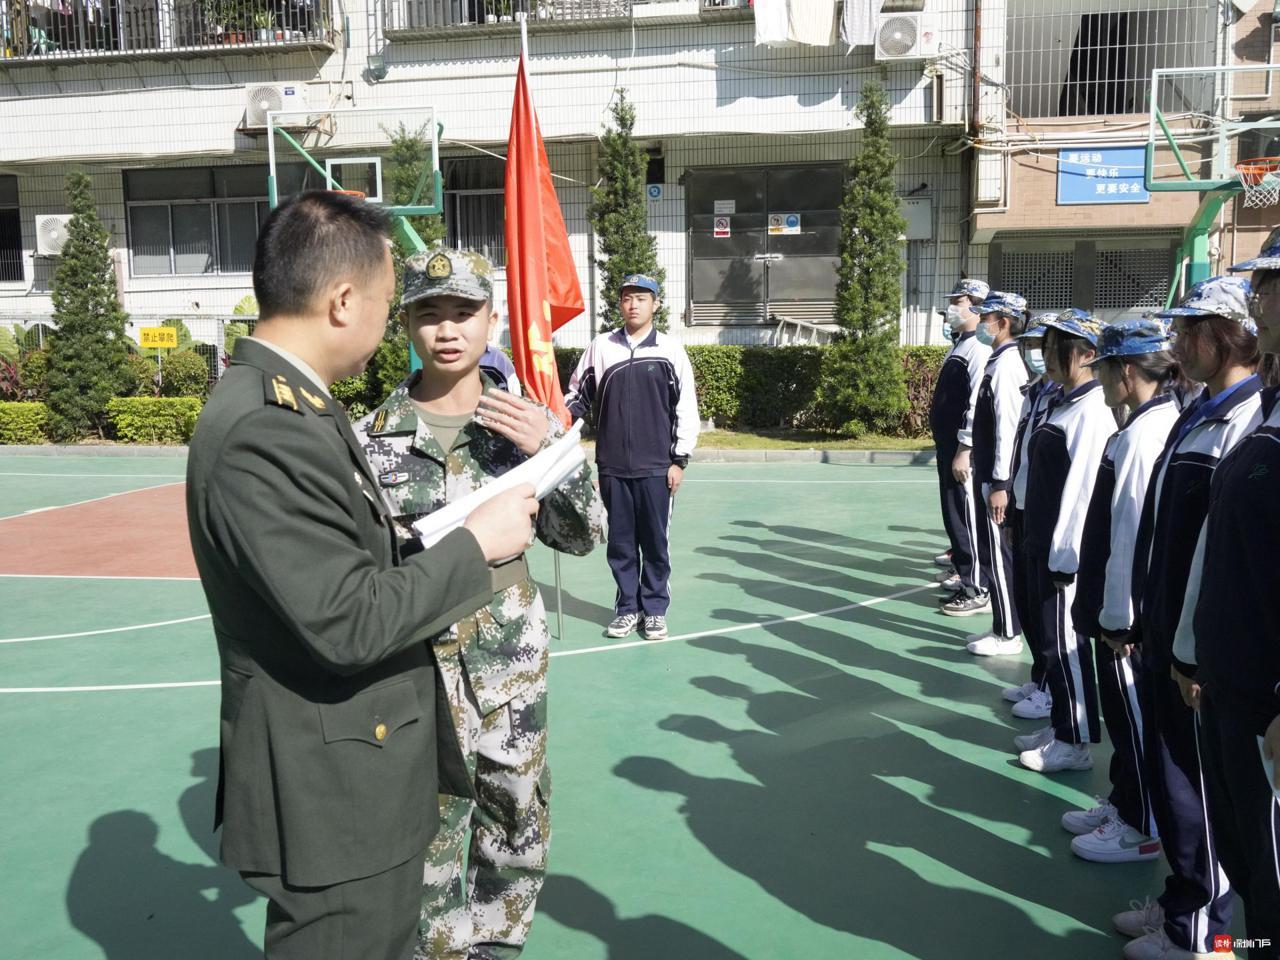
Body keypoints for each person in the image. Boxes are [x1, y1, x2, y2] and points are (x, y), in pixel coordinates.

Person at [185, 192, 539, 960]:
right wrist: (475, 543)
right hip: (334, 793)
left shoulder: (298, 410)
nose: (393, 327)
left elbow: (340, 565)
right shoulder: (266, 428)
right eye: (389, 304)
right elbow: (348, 620)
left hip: (358, 774)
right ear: (343, 302)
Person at [354, 247, 605, 960]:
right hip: (413, 663)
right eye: (429, 313)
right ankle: (435, 948)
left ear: (491, 320)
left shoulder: (518, 427)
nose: (447, 330)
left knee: (515, 810)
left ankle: (496, 946)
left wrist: (552, 450)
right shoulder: (370, 440)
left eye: (463, 312)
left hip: (506, 661)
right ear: (406, 324)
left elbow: (584, 537)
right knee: (426, 823)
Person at [1121, 275, 1261, 960]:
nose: (1175, 343)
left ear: (1220, 334)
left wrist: (1198, 652)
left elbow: (1227, 558)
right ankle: (1184, 903)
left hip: (1199, 653)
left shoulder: (1247, 420)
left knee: (1203, 800)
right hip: (1168, 638)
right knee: (1176, 786)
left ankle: (1207, 932)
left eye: (1187, 330)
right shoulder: (1198, 410)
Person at [1170, 235, 1280, 960]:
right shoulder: (1268, 411)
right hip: (1233, 688)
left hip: (1267, 708)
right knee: (1252, 872)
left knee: (1273, 879)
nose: (1259, 301)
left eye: (1270, 284)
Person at [1061, 319, 1179, 866]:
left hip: (1127, 622)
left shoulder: (1143, 436)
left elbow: (1129, 534)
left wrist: (1118, 619)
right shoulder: (1145, 426)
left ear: (1126, 371)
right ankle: (1125, 801)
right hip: (1120, 615)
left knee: (1135, 724)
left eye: (1103, 367)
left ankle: (1143, 825)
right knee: (1123, 717)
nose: (1098, 378)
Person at [565, 274, 700, 641]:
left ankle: (654, 609)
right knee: (621, 544)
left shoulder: (671, 350)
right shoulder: (601, 347)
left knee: (655, 542)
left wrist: (680, 459)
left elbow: (686, 407)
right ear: (620, 304)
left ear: (655, 304)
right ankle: (627, 608)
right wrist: (558, 426)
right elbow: (578, 395)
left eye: (642, 298)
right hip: (612, 468)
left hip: (658, 467)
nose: (634, 304)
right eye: (627, 298)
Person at [1017, 308, 1112, 774]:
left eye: (1059, 348)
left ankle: (1074, 741)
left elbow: (1082, 495)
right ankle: (1061, 725)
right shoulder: (1064, 402)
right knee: (1049, 645)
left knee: (1064, 646)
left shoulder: (1092, 412)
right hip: (1040, 541)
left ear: (1088, 355)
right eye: (1047, 346)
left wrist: (1065, 557)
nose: (1047, 356)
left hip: (1062, 554)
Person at [964, 291, 1028, 653]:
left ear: (1003, 322)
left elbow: (1008, 426)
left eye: (987, 317)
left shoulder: (1006, 365)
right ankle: (1001, 625)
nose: (982, 323)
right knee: (993, 554)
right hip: (988, 473)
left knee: (1001, 558)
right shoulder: (997, 359)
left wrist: (1001, 483)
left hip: (997, 479)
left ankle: (1008, 633)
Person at [1002, 322, 1061, 716]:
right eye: (1032, 344)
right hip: (1025, 506)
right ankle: (1040, 677)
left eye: (1043, 346)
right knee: (1027, 598)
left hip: (1048, 520)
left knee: (1050, 616)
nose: (1036, 352)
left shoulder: (1067, 399)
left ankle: (1054, 693)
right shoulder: (1037, 392)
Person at [929, 278, 993, 614]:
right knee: (954, 514)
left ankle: (977, 587)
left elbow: (974, 404)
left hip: (960, 451)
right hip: (947, 446)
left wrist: (965, 447)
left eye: (960, 300)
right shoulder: (962, 344)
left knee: (966, 515)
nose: (953, 307)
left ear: (977, 307)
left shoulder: (980, 349)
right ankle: (964, 571)